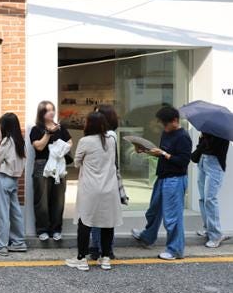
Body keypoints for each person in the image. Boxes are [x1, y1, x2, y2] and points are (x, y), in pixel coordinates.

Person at [132, 106, 193, 260]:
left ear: (175, 121)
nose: (164, 128)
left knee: (172, 217)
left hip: (175, 179)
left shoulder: (183, 137)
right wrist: (146, 151)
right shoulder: (167, 133)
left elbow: (183, 161)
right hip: (162, 177)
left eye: (165, 124)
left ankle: (175, 250)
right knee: (153, 210)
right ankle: (147, 236)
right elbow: (162, 154)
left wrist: (164, 154)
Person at [65, 113, 123, 271]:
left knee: (85, 223)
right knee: (107, 223)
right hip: (109, 188)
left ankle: (82, 259)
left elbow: (76, 162)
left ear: (89, 125)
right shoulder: (111, 140)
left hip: (90, 189)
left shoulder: (85, 141)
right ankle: (105, 258)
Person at [30, 100, 72, 242]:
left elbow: (70, 142)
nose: (51, 112)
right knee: (41, 199)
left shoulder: (61, 128)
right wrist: (48, 133)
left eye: (52, 109)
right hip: (42, 165)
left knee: (58, 199)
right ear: (42, 113)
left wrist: (60, 149)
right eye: (48, 110)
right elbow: (39, 147)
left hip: (59, 165)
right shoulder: (36, 129)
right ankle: (42, 230)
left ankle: (56, 229)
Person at [0, 113, 27, 257]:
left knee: (2, 213)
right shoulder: (19, 141)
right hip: (14, 180)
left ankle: (0, 245)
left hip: (3, 178)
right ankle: (18, 242)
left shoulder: (7, 141)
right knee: (15, 212)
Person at [89, 104, 122, 260]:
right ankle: (102, 248)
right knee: (105, 215)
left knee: (101, 216)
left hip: (103, 180)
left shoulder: (109, 136)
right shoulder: (110, 135)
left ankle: (100, 248)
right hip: (107, 180)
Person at [192, 132, 229, 248]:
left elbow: (213, 149)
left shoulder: (222, 132)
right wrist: (202, 137)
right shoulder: (207, 130)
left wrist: (205, 137)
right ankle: (209, 229)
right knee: (203, 199)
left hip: (215, 164)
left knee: (210, 199)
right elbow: (201, 148)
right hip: (203, 161)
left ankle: (216, 235)